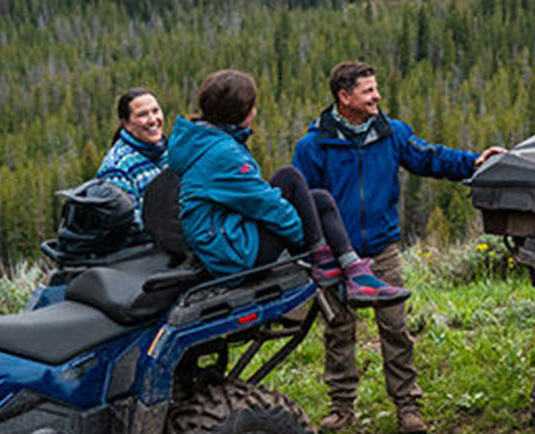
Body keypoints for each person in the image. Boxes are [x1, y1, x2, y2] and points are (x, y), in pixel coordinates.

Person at [292, 61, 505, 434]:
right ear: (344, 97)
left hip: (382, 250)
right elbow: (303, 202)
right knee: (339, 330)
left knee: (396, 329)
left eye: (376, 89)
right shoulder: (313, 146)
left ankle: (408, 405)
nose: (377, 97)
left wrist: (473, 162)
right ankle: (341, 407)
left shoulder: (392, 133)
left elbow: (430, 158)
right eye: (368, 91)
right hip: (336, 256)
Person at [166, 68, 407, 307]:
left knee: (319, 199)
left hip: (224, 237)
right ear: (243, 112)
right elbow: (263, 204)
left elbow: (254, 199)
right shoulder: (223, 153)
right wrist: (304, 232)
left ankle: (354, 270)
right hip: (232, 253)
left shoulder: (208, 141)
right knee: (289, 177)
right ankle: (324, 260)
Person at [94, 88, 168, 216]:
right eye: (142, 114)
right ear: (126, 124)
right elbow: (125, 225)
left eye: (155, 111)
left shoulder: (171, 152)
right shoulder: (116, 169)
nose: (152, 120)